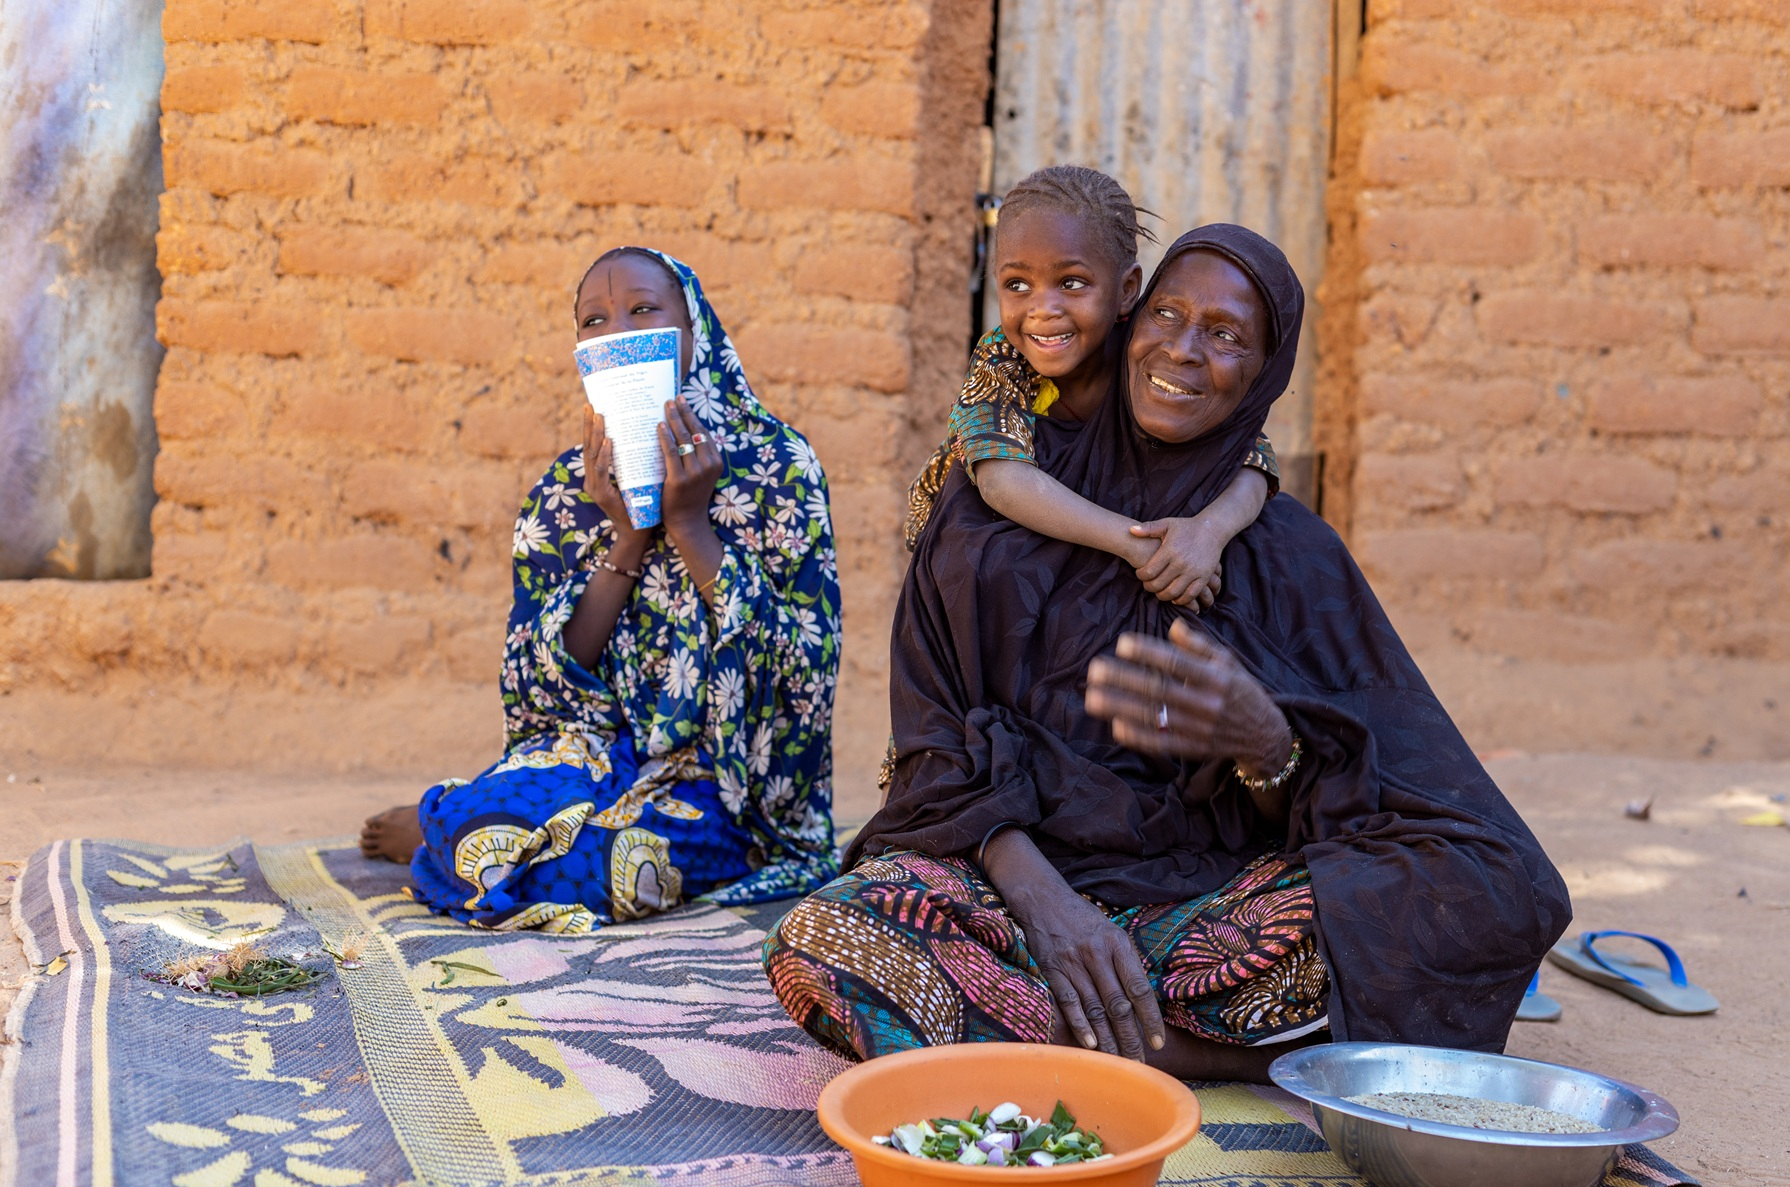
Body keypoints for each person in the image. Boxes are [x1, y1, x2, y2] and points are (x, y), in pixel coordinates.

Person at [764, 225, 1571, 1078]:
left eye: (1226, 336)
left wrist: (1269, 748)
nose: (1183, 351)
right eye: (1169, 315)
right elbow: (932, 743)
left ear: (1264, 374)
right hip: (1005, 885)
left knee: (1489, 897)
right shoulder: (991, 506)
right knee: (825, 936)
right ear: (1130, 319)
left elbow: (1415, 814)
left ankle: (1101, 1039)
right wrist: (1047, 907)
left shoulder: (1289, 554)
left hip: (1202, 913)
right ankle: (1185, 1040)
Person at [360, 247, 841, 931]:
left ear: (694, 330)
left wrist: (689, 526)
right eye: (594, 320)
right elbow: (544, 686)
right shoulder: (565, 492)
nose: (618, 333)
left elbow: (802, 677)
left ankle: (438, 828)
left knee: (592, 865)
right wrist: (629, 532)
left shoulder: (779, 468)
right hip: (595, 753)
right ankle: (458, 825)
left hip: (726, 790)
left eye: (644, 310)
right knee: (493, 825)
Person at [906, 165, 1281, 610]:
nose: (1042, 310)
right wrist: (1138, 545)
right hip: (979, 543)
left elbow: (1251, 457)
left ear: (1127, 290)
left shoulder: (1145, 351)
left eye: (1071, 283)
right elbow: (1002, 481)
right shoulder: (1003, 358)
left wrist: (1207, 534)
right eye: (1017, 285)